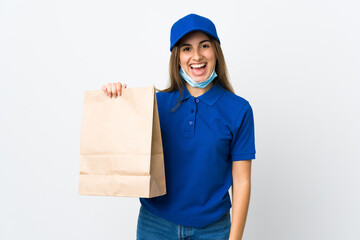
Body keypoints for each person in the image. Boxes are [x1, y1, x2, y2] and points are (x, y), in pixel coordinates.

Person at [102, 13, 256, 240]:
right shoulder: (155, 104)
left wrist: (235, 238)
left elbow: (242, 180)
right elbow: (118, 144)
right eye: (186, 49)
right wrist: (115, 98)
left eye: (204, 46)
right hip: (155, 225)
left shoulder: (239, 110)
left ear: (216, 51)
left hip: (213, 229)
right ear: (177, 57)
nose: (197, 56)